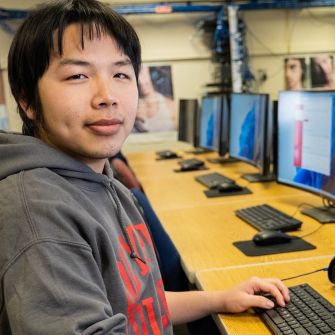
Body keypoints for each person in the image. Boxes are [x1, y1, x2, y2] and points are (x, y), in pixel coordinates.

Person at [0, 0, 290, 334]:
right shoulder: (38, 212)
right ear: (26, 100)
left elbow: (138, 305)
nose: (107, 96)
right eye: (78, 75)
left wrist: (220, 299)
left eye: (121, 73)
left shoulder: (107, 187)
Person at [136, 65, 177, 132]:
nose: (141, 81)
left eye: (142, 74)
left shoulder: (170, 106)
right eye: (136, 76)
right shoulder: (132, 109)